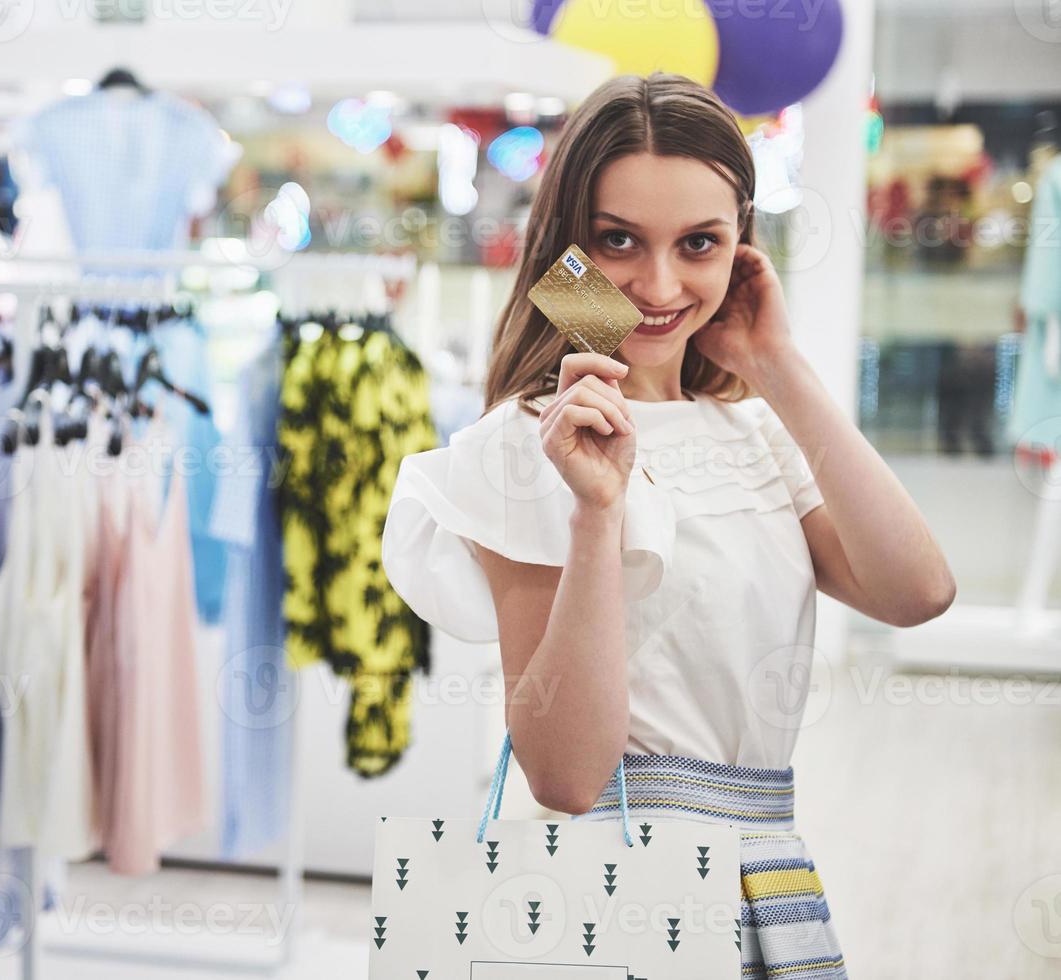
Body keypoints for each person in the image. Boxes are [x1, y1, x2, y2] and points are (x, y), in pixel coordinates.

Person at [382, 73, 956, 980]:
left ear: (742, 250)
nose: (657, 284)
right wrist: (596, 512)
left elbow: (916, 591)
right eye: (617, 241)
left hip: (765, 878)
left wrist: (773, 365)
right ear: (566, 248)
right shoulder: (526, 444)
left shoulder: (756, 428)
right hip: (616, 894)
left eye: (699, 244)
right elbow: (564, 778)